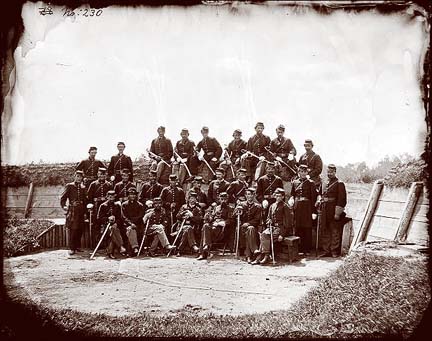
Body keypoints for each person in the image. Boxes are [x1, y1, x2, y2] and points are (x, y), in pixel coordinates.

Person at [252, 188, 292, 265]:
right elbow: (268, 218)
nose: (278, 198)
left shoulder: (285, 207)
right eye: (276, 196)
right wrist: (269, 221)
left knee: (264, 237)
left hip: (281, 229)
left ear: (283, 197)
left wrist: (282, 235)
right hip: (272, 227)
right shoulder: (272, 206)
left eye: (279, 196)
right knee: (263, 234)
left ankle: (262, 257)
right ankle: (266, 255)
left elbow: (288, 223)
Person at [317, 164, 347, 258]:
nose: (329, 173)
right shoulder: (324, 182)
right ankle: (326, 250)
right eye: (328, 172)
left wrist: (337, 213)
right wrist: (318, 201)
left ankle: (334, 251)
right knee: (325, 230)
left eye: (331, 172)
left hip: (333, 209)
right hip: (324, 209)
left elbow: (342, 199)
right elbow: (319, 194)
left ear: (335, 172)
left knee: (334, 231)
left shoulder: (339, 183)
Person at [289, 165, 317, 255]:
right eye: (301, 171)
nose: (303, 173)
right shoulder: (295, 182)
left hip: (307, 207)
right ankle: (299, 249)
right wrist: (292, 200)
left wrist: (313, 211)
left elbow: (313, 198)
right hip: (297, 206)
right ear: (298, 172)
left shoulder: (311, 183)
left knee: (307, 228)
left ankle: (307, 249)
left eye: (305, 171)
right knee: (298, 226)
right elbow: (292, 194)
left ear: (307, 172)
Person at [197, 192, 234, 260]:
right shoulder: (216, 208)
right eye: (222, 199)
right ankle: (206, 247)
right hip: (213, 229)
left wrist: (220, 223)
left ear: (227, 200)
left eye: (225, 199)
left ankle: (203, 252)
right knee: (205, 226)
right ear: (219, 199)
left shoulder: (230, 208)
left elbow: (231, 221)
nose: (223, 201)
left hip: (222, 230)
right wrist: (208, 216)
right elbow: (212, 219)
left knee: (205, 231)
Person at [60, 170, 87, 255]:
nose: (79, 178)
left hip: (81, 210)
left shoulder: (83, 187)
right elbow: (63, 197)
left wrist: (86, 211)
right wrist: (64, 206)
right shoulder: (70, 186)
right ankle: (71, 248)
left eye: (80, 177)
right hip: (73, 210)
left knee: (80, 228)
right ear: (74, 176)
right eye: (77, 176)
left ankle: (77, 247)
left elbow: (85, 200)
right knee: (73, 229)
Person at [235, 188, 262, 263]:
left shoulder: (258, 206)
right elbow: (234, 216)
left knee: (250, 229)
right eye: (247, 194)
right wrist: (237, 209)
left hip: (253, 228)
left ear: (254, 195)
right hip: (242, 228)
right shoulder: (241, 204)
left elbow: (257, 220)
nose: (249, 196)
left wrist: (248, 223)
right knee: (248, 231)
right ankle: (254, 250)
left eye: (250, 194)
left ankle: (248, 256)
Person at [97, 190, 126, 259]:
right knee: (112, 230)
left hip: (116, 226)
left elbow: (121, 218)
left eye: (113, 197)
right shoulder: (103, 206)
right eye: (110, 197)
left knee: (113, 230)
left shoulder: (117, 206)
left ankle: (110, 252)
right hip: (105, 226)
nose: (111, 199)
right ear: (107, 197)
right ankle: (121, 246)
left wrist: (116, 222)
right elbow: (99, 218)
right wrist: (107, 219)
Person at [269, 124, 297, 195]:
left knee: (292, 160)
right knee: (273, 166)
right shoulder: (273, 141)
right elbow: (271, 152)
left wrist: (291, 153)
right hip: (277, 159)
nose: (280, 132)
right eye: (279, 131)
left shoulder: (287, 140)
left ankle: (293, 175)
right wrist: (275, 156)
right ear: (276, 131)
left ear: (283, 132)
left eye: (281, 131)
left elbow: (293, 150)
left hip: (287, 159)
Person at [174, 191, 203, 256]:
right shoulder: (183, 207)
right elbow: (177, 216)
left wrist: (192, 216)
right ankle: (193, 246)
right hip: (181, 226)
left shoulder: (198, 209)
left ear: (196, 200)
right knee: (187, 229)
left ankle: (179, 249)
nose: (193, 200)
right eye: (191, 198)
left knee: (188, 229)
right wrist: (184, 213)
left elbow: (200, 219)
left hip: (193, 227)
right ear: (188, 199)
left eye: (194, 199)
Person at [121, 187, 145, 256]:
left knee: (134, 230)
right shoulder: (124, 205)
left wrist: (134, 223)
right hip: (127, 224)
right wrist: (130, 223)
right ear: (128, 195)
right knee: (130, 229)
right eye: (131, 194)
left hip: (138, 224)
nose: (133, 196)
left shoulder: (140, 205)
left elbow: (140, 215)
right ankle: (134, 248)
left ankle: (135, 248)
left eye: (134, 194)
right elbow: (123, 217)